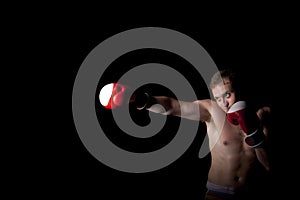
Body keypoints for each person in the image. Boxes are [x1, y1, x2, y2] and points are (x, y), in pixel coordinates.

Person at [100, 68, 272, 200]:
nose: (224, 103)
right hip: (218, 192)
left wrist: (255, 134)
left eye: (227, 95)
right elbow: (172, 106)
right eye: (218, 98)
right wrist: (138, 99)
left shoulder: (263, 114)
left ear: (239, 89)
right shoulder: (212, 111)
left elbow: (268, 167)